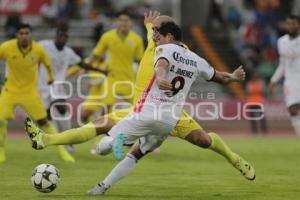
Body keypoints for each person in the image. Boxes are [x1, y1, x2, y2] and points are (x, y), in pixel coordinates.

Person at [24, 11, 254, 182]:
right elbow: (150, 33)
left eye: (158, 30)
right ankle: (48, 140)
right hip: (141, 107)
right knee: (97, 125)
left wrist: (232, 77)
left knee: (203, 141)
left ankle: (234, 158)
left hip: (172, 112)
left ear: (169, 35)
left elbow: (211, 73)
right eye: (153, 30)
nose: (153, 34)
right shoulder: (154, 40)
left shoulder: (182, 54)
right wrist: (148, 23)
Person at [0, 23, 74, 163]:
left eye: (26, 33)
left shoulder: (38, 50)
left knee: (43, 121)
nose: (24, 36)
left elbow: (47, 63)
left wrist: (51, 78)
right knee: (0, 119)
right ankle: (1, 150)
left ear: (30, 35)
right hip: (10, 90)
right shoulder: (6, 47)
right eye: (21, 33)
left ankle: (62, 151)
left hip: (30, 92)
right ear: (17, 35)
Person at [38, 27, 107, 152]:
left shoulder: (68, 52)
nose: (62, 39)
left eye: (65, 37)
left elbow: (82, 64)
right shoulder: (44, 46)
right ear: (56, 36)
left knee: (61, 107)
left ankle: (68, 140)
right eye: (60, 36)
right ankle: (57, 139)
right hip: (41, 86)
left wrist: (100, 71)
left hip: (57, 84)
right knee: (46, 116)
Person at [81, 11, 144, 123]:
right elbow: (96, 54)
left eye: (126, 20)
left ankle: (137, 134)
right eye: (121, 20)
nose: (123, 23)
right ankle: (102, 134)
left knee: (138, 108)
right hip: (112, 77)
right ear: (116, 22)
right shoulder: (107, 37)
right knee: (106, 107)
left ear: (131, 23)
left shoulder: (137, 39)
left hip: (128, 78)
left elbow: (140, 60)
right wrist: (85, 67)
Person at [269, 15, 300, 136]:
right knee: (293, 110)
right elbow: (282, 63)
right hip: (290, 81)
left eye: (293, 24)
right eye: (288, 24)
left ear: (298, 25)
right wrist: (273, 80)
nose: (290, 26)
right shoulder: (281, 41)